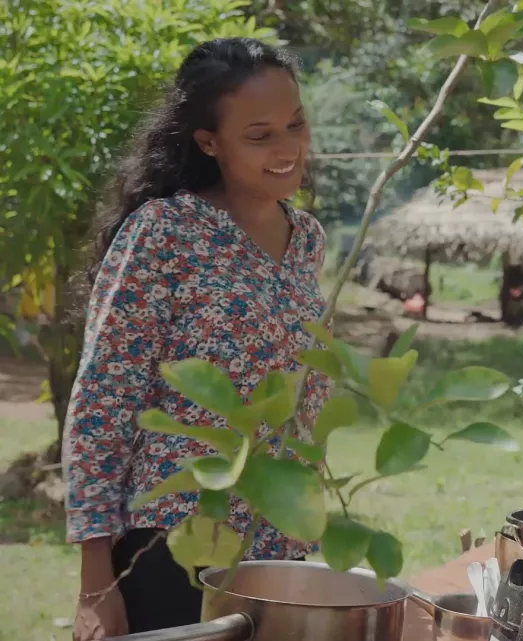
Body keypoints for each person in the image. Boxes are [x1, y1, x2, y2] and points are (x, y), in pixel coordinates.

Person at [64, 38, 329, 640]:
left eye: (296, 124)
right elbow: (103, 402)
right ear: (208, 141)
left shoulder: (307, 238)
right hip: (174, 544)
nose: (287, 148)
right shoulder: (164, 234)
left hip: (276, 545)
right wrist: (95, 585)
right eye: (260, 135)